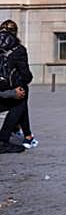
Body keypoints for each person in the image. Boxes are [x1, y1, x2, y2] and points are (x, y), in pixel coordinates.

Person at [0, 20, 35, 153]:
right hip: (7, 91)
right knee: (21, 97)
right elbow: (26, 76)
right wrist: (14, 91)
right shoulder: (19, 50)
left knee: (19, 95)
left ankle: (27, 135)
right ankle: (4, 140)